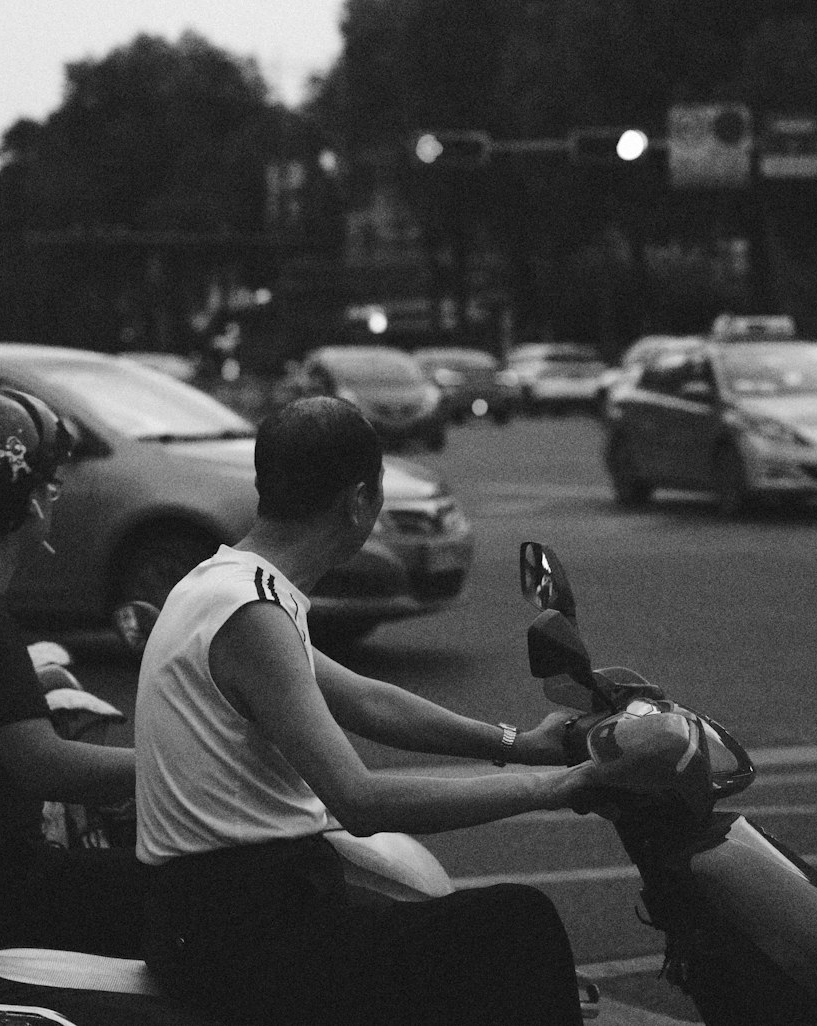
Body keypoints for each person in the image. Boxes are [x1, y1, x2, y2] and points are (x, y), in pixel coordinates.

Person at [136, 395, 615, 1026]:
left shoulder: (225, 583)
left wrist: (519, 743)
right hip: (245, 929)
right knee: (518, 924)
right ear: (360, 500)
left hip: (229, 908)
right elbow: (360, 801)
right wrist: (553, 786)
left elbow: (368, 700)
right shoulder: (250, 612)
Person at [0, 389, 144, 957]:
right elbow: (45, 765)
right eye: (50, 487)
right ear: (29, 504)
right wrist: (184, 764)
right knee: (201, 900)